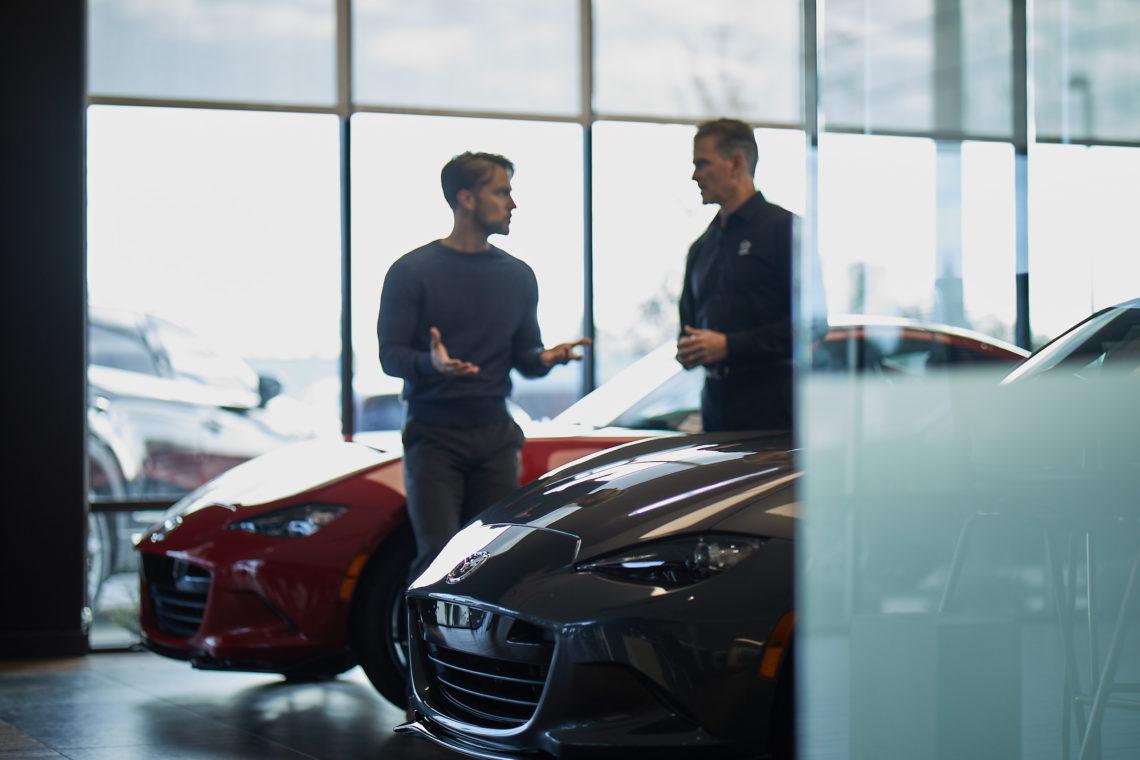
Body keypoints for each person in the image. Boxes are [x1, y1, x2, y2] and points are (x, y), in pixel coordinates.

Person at [377, 151, 590, 578]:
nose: (512, 203)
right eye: (502, 192)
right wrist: (430, 364)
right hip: (434, 439)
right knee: (437, 561)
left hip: (496, 437)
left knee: (492, 563)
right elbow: (390, 356)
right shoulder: (411, 271)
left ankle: (475, 646)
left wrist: (546, 358)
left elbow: (525, 358)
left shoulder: (518, 276)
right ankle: (423, 646)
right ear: (467, 199)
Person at [677, 118, 827, 432]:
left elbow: (812, 326)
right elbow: (688, 331)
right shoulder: (700, 248)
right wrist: (690, 350)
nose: (694, 176)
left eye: (703, 164)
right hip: (715, 415)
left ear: (736, 164)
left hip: (773, 418)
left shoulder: (786, 231)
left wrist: (729, 346)